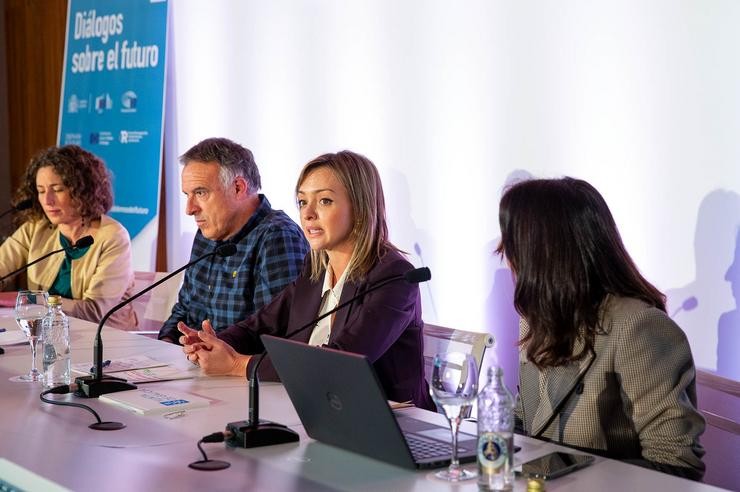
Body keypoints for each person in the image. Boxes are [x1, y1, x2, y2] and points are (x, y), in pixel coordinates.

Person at [178, 150, 435, 410]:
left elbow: (340, 363)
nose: (308, 214)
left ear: (360, 208)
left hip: (392, 423)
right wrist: (214, 343)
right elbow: (260, 325)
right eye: (302, 202)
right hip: (319, 409)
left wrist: (236, 364)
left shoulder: (394, 277)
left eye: (324, 201)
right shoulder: (315, 269)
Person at [497, 177, 705, 480]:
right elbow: (528, 417)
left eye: (513, 250)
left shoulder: (637, 326)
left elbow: (675, 466)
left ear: (544, 256)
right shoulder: (535, 319)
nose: (508, 262)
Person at [158, 138, 308, 343]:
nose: (190, 208)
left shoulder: (278, 237)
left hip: (239, 371)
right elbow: (185, 309)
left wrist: (214, 349)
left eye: (200, 193)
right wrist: (166, 343)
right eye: (187, 195)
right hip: (195, 363)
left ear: (238, 188)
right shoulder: (207, 231)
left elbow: (275, 333)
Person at [0, 145, 136, 329]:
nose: (48, 200)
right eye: (41, 191)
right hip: (49, 336)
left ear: (82, 190)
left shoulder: (113, 237)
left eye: (57, 189)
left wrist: (28, 300)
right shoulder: (35, 229)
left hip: (106, 342)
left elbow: (93, 311)